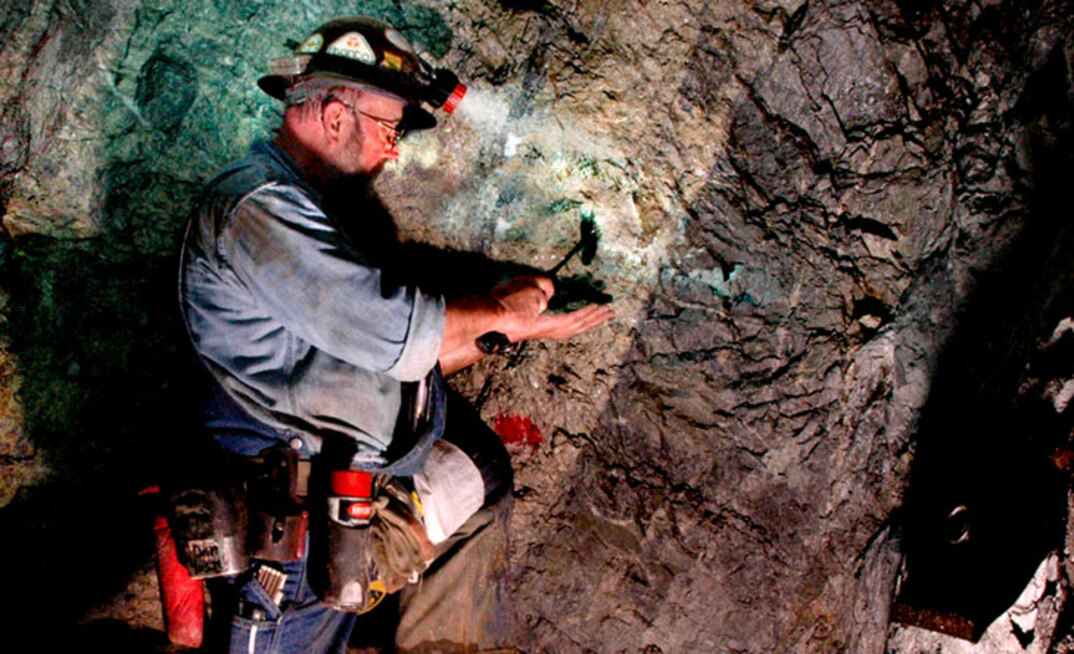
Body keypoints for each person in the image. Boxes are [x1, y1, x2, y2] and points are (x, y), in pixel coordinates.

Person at [177, 15, 614, 653]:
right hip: (282, 528)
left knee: (481, 469)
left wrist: (506, 329)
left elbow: (381, 363)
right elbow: (390, 330)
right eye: (389, 129)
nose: (394, 151)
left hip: (340, 503)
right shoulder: (258, 210)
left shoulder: (313, 214)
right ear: (335, 117)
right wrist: (497, 310)